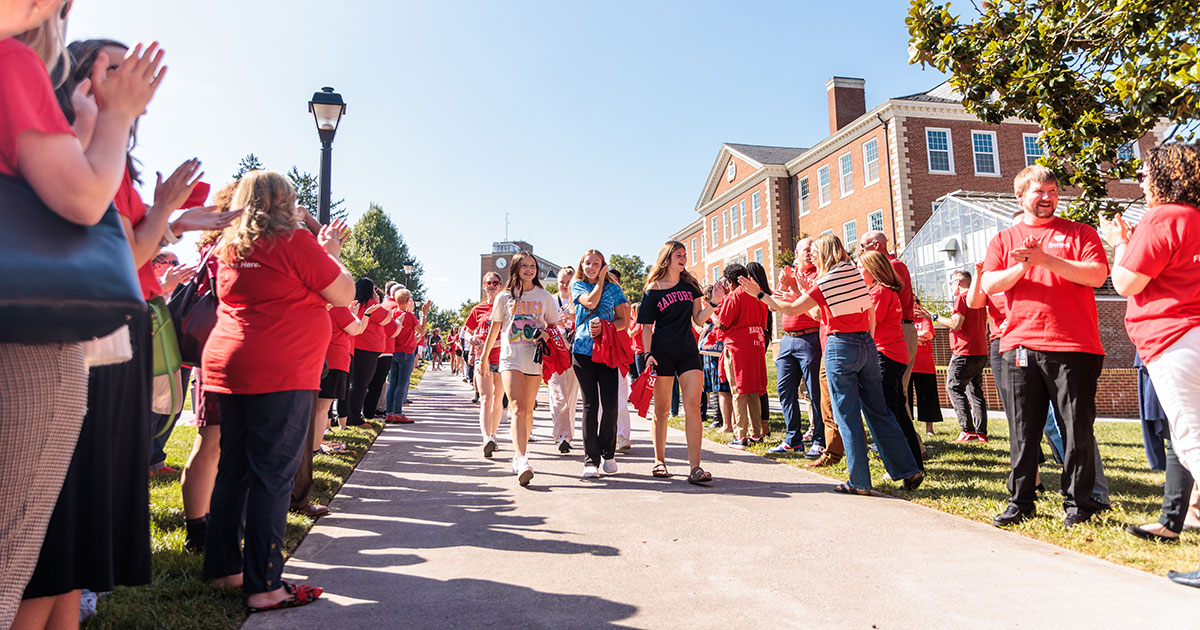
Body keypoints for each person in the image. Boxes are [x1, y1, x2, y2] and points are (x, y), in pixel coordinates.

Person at [0, 8, 161, 626]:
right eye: (114, 70)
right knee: (16, 543)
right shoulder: (15, 62)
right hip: (32, 334)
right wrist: (110, 120)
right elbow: (84, 201)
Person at [201, 170, 354, 612]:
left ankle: (224, 570)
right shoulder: (293, 242)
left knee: (233, 469)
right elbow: (342, 292)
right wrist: (331, 252)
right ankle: (265, 584)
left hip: (229, 362)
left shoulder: (228, 246)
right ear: (285, 202)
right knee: (272, 474)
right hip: (280, 367)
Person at [742, 235, 923, 495]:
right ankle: (909, 470)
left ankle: (859, 481)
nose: (812, 257)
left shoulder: (825, 281)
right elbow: (869, 312)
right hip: (867, 346)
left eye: (815, 252)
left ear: (825, 253)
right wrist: (867, 341)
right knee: (879, 411)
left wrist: (760, 294)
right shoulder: (853, 272)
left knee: (847, 416)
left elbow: (791, 310)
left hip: (840, 346)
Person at [982, 164, 1109, 528]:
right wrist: (1022, 266)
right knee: (1023, 430)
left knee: (1076, 428)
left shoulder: (1080, 233)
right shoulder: (1004, 240)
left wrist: (1045, 260)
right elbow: (990, 284)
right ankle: (1021, 501)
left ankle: (1079, 504)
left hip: (1074, 346)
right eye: (1040, 192)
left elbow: (1097, 275)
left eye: (1053, 191)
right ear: (1021, 196)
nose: (1049, 198)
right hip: (1019, 345)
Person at [1100, 143, 1200, 586]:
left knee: (1193, 439)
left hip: (1174, 339)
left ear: (1166, 175)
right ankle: (1174, 520)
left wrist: (1120, 243)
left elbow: (1124, 282)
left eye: (1146, 172)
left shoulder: (1163, 218)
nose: (1141, 179)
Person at [638, 240, 718, 484]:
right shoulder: (654, 288)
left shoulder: (690, 285)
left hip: (688, 351)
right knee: (661, 409)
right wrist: (646, 354)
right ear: (667, 259)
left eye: (685, 255)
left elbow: (698, 320)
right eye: (679, 255)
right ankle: (659, 460)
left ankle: (695, 467)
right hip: (661, 352)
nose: (684, 258)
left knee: (692, 406)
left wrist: (714, 303)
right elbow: (646, 326)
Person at [480, 251, 558, 486]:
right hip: (509, 359)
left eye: (532, 265)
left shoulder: (545, 296)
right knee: (518, 408)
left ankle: (517, 454)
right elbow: (495, 329)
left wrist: (545, 332)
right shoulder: (505, 297)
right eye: (524, 265)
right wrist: (484, 358)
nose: (529, 269)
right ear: (516, 269)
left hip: (533, 359)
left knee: (529, 410)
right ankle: (523, 460)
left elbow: (553, 325)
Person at [860, 251, 924, 470]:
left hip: (885, 355)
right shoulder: (889, 291)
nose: (859, 273)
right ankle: (914, 461)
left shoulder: (878, 292)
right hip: (895, 355)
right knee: (898, 410)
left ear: (872, 271)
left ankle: (903, 464)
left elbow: (869, 326)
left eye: (862, 268)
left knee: (887, 413)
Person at [570, 250, 629, 477]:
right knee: (590, 406)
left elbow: (623, 321)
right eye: (588, 263)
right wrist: (601, 280)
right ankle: (590, 460)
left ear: (603, 265)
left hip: (608, 351)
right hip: (583, 352)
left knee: (611, 405)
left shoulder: (615, 289)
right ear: (582, 265)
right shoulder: (578, 285)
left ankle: (609, 453)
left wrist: (607, 327)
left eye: (597, 263)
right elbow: (591, 302)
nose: (592, 267)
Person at [770, 237, 823, 456]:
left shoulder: (818, 274)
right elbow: (775, 305)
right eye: (805, 249)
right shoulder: (789, 275)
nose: (809, 253)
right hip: (788, 340)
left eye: (813, 249)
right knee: (784, 389)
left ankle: (820, 439)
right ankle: (793, 437)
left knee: (814, 391)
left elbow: (815, 308)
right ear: (796, 253)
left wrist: (795, 287)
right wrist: (785, 283)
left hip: (810, 338)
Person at [860, 230, 918, 407]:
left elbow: (881, 312)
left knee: (896, 392)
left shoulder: (892, 268)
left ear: (876, 245)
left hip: (897, 331)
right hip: (892, 331)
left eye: (863, 246)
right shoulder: (884, 279)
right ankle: (905, 434)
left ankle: (903, 434)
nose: (861, 250)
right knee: (896, 392)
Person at [716, 263, 770, 449]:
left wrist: (713, 315)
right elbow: (764, 322)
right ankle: (756, 433)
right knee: (754, 390)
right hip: (756, 343)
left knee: (738, 390)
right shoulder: (758, 292)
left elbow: (722, 324)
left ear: (731, 282)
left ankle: (740, 434)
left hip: (738, 346)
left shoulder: (734, 295)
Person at [938, 268, 990, 442]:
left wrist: (935, 317)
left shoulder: (961, 298)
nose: (950, 286)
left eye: (951, 283)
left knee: (954, 387)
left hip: (964, 351)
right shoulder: (979, 299)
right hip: (980, 351)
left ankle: (967, 430)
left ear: (958, 282)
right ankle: (981, 432)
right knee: (975, 390)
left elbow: (956, 323)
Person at [345, 278, 394, 427]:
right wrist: (378, 302)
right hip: (368, 348)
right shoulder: (372, 305)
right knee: (361, 384)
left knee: (355, 383)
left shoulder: (355, 303)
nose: (375, 291)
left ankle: (348, 415)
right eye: (374, 289)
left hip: (355, 346)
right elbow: (386, 319)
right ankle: (354, 418)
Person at [466, 273, 505, 458]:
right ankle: (486, 438)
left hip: (503, 357)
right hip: (484, 358)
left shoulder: (506, 306)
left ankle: (493, 434)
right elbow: (466, 331)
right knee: (485, 398)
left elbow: (509, 333)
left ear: (500, 285)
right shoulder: (478, 309)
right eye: (488, 283)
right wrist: (471, 338)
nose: (491, 285)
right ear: (484, 286)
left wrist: (494, 344)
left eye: (495, 283)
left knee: (498, 399)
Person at [548, 267, 580, 453]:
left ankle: (567, 435)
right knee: (558, 395)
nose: (565, 285)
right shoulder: (551, 300)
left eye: (569, 281)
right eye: (562, 281)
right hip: (555, 351)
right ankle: (561, 436)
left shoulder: (580, 300)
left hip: (575, 351)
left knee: (571, 396)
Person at [385, 288, 427, 424]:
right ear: (408, 301)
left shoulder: (392, 313)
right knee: (402, 383)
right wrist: (424, 315)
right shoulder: (409, 316)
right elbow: (422, 330)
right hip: (407, 351)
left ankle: (389, 412)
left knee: (392, 383)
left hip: (394, 351)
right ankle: (398, 412)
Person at [909, 299, 942, 436]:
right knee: (906, 399)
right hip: (908, 364)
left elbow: (928, 334)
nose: (915, 306)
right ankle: (908, 427)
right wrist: (918, 338)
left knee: (928, 397)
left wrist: (910, 337)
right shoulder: (903, 320)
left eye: (916, 303)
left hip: (925, 365)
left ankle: (930, 429)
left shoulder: (924, 319)